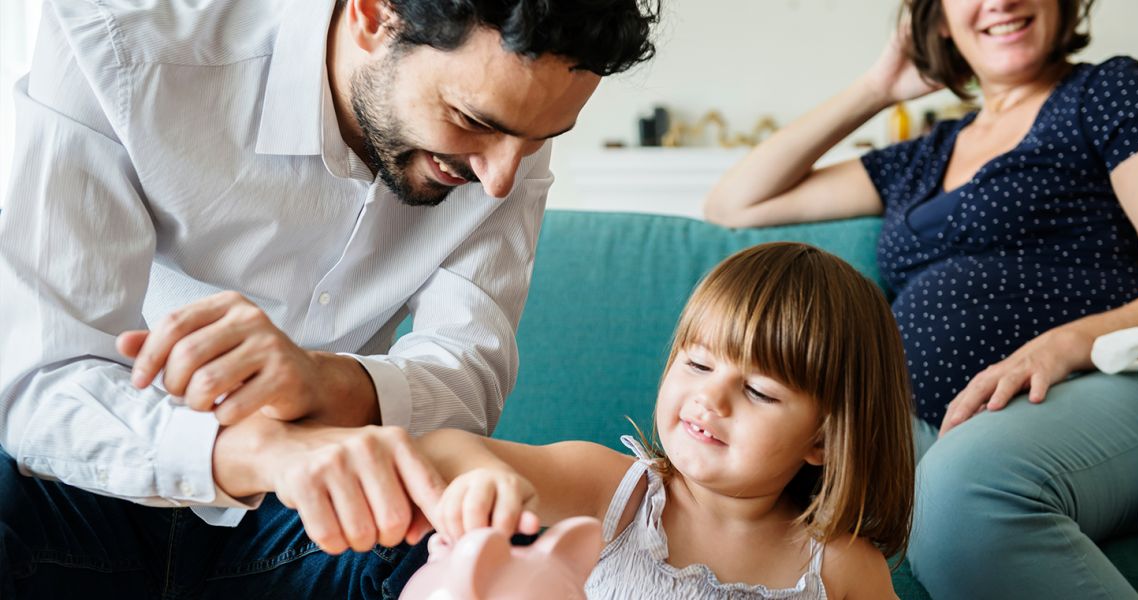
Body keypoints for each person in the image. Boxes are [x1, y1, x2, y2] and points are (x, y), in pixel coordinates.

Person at [0, 0, 658, 597]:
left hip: (313, 525)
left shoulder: (507, 138)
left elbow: (467, 378)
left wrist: (326, 380)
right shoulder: (116, 46)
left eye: (539, 141)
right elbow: (40, 382)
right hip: (86, 494)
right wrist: (267, 452)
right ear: (375, 16)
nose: (500, 179)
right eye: (470, 122)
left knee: (485, 550)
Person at [703, 0, 1138, 597]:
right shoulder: (925, 154)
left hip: (1106, 378)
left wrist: (1065, 345)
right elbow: (734, 204)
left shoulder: (1107, 92)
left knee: (966, 490)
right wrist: (877, 86)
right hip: (931, 423)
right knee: (790, 471)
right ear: (936, 18)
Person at [418, 242, 916, 600]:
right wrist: (486, 477)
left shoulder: (840, 567)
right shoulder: (616, 494)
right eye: (698, 364)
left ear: (825, 440)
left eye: (759, 391)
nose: (710, 397)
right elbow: (442, 450)